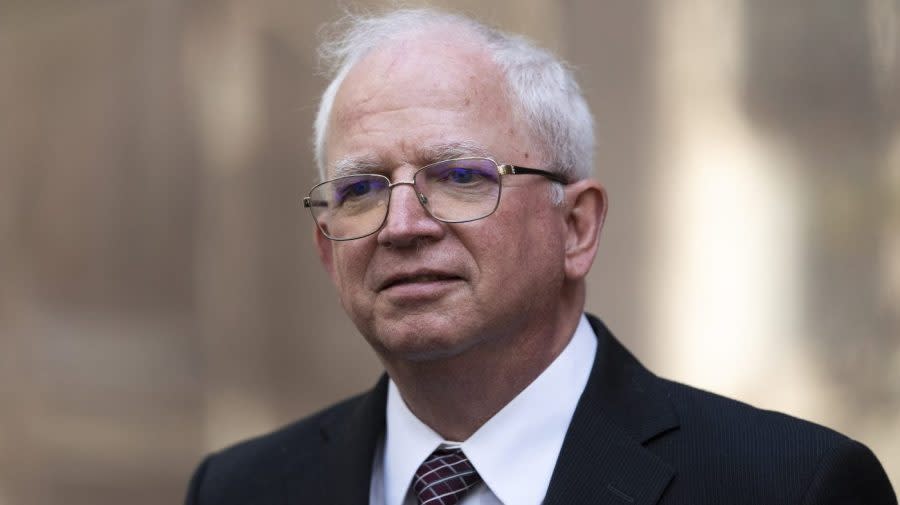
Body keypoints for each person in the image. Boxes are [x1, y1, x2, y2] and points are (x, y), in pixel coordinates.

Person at [184, 8, 896, 505]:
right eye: (362, 188)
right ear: (325, 247)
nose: (400, 225)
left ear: (577, 227)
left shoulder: (789, 487)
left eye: (460, 176)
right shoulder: (241, 488)